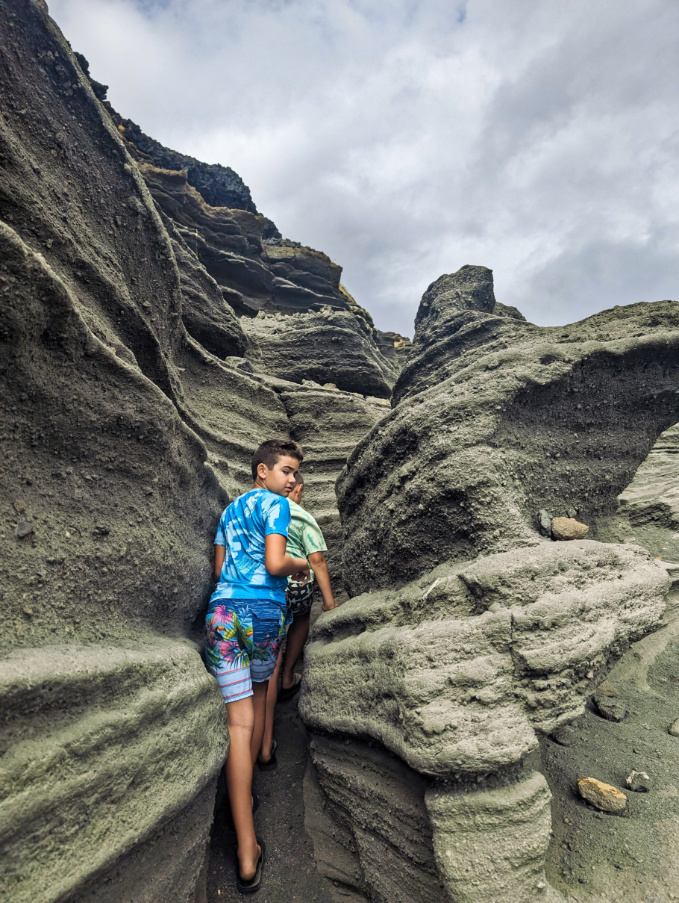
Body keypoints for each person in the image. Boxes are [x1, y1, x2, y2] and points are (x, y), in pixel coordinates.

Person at [204, 439, 309, 893]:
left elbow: (218, 568)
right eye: (286, 470)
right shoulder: (277, 507)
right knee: (264, 690)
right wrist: (301, 564)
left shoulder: (229, 512)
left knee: (236, 722)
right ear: (261, 470)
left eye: (295, 473)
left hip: (222, 613)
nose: (292, 480)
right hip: (264, 612)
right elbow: (274, 562)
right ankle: (266, 754)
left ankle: (246, 851)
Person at [258, 472, 337, 770]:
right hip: (297, 584)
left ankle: (265, 732)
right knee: (302, 614)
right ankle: (289, 676)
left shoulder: (263, 511)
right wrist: (329, 602)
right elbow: (316, 560)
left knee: (270, 657)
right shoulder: (302, 516)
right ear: (298, 488)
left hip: (267, 587)